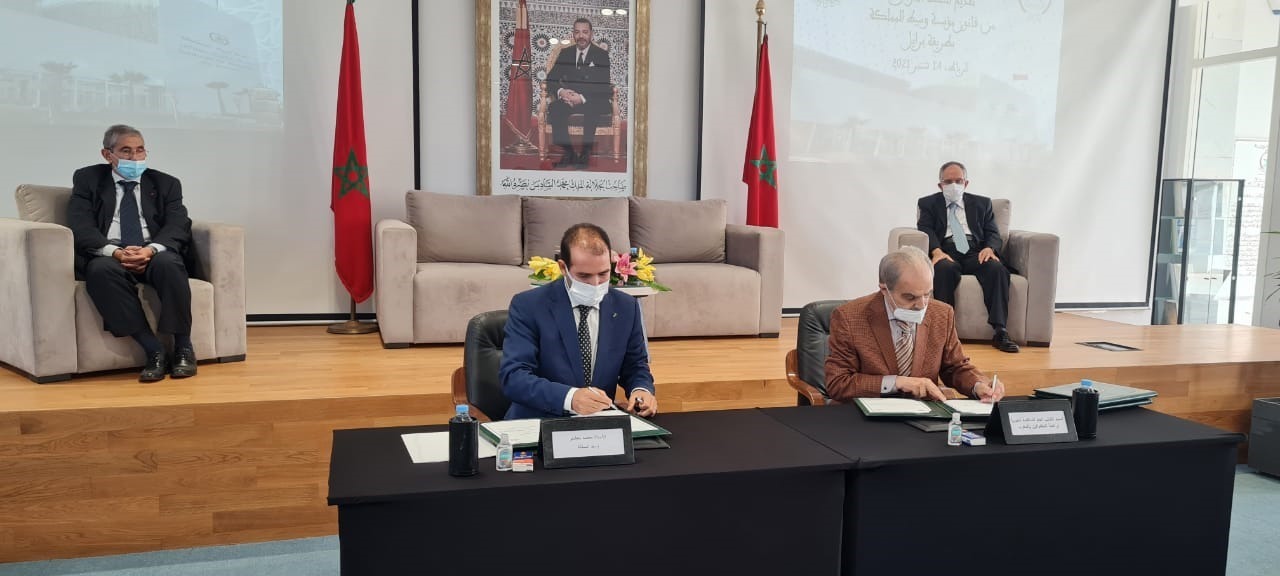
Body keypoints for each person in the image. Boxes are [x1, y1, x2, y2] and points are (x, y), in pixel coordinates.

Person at [67, 124, 197, 382]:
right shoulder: (88, 179)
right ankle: (154, 350)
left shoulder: (166, 183)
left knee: (170, 264)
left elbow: (177, 224)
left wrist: (150, 250)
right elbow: (81, 226)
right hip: (110, 253)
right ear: (107, 154)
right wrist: (116, 253)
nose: (135, 157)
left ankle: (183, 347)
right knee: (100, 271)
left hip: (153, 251)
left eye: (140, 150)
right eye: (126, 151)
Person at [499, 223, 656, 419]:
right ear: (563, 268)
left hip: (599, 424)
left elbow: (635, 366)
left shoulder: (626, 307)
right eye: (584, 276)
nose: (595, 284)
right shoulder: (529, 306)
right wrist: (569, 398)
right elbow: (514, 377)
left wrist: (641, 389)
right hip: (539, 421)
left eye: (603, 274)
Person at [824, 246, 1005, 402]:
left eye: (927, 294)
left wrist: (978, 385)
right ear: (885, 289)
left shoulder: (942, 313)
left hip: (923, 416)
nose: (921, 305)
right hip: (867, 418)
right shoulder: (849, 317)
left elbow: (955, 367)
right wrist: (897, 382)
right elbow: (838, 383)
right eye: (910, 297)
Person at [917, 161, 1020, 353]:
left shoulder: (982, 203)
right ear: (940, 185)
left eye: (958, 181)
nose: (954, 185)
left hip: (975, 251)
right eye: (948, 182)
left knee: (996, 268)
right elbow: (925, 229)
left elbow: (993, 232)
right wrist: (936, 251)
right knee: (943, 269)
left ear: (966, 183)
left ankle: (1000, 331)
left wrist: (989, 248)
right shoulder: (928, 203)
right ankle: (944, 334)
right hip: (946, 250)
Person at [545, 17, 612, 170]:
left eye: (585, 32)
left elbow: (603, 85)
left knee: (592, 108)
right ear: (573, 34)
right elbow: (551, 79)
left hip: (593, 99)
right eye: (577, 32)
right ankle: (569, 153)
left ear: (591, 34)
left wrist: (581, 98)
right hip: (569, 99)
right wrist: (562, 92)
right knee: (555, 108)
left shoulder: (601, 55)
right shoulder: (565, 53)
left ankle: (585, 154)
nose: (581, 36)